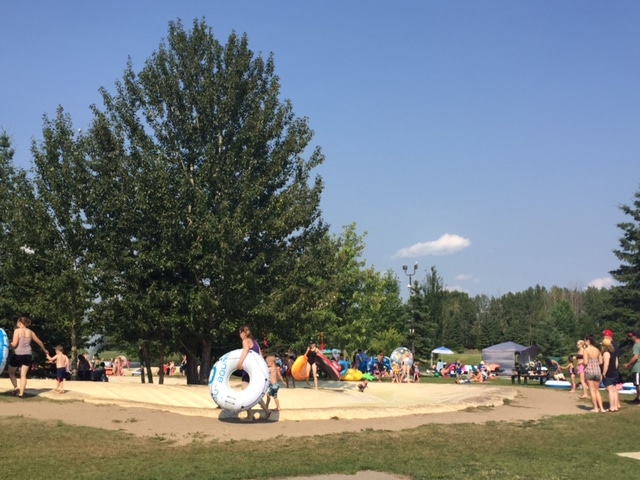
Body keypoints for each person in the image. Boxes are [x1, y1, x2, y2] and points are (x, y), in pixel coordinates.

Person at [7, 316, 48, 398]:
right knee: (23, 375)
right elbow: (39, 342)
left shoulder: (17, 331)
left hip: (18, 354)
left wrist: (7, 344)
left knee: (11, 372)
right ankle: (21, 393)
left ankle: (16, 388)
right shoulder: (30, 332)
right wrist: (45, 350)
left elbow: (14, 345)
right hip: (28, 355)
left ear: (20, 323)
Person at [235, 325, 269, 419]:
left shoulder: (245, 341)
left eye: (240, 333)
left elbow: (245, 350)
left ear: (243, 333)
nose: (239, 335)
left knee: (245, 391)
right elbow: (261, 356)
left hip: (248, 371)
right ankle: (266, 410)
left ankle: (249, 416)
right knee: (255, 392)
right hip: (256, 370)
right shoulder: (255, 343)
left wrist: (240, 363)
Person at [582, 334, 605, 413]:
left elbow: (585, 362)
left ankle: (595, 408)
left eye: (585, 341)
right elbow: (601, 362)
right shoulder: (597, 350)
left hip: (590, 370)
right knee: (597, 390)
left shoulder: (586, 350)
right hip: (597, 371)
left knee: (592, 390)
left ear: (588, 341)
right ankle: (601, 408)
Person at [601, 341, 620, 412]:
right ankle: (615, 407)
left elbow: (606, 364)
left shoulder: (606, 353)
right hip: (615, 373)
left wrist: (604, 373)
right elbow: (617, 363)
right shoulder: (614, 353)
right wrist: (615, 370)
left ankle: (611, 407)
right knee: (614, 390)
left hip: (609, 374)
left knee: (610, 391)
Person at [623, 331, 640, 403]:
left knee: (638, 383)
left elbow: (635, 357)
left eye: (632, 336)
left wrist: (628, 365)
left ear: (635, 337)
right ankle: (638, 397)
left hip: (638, 367)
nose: (631, 338)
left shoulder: (636, 345)